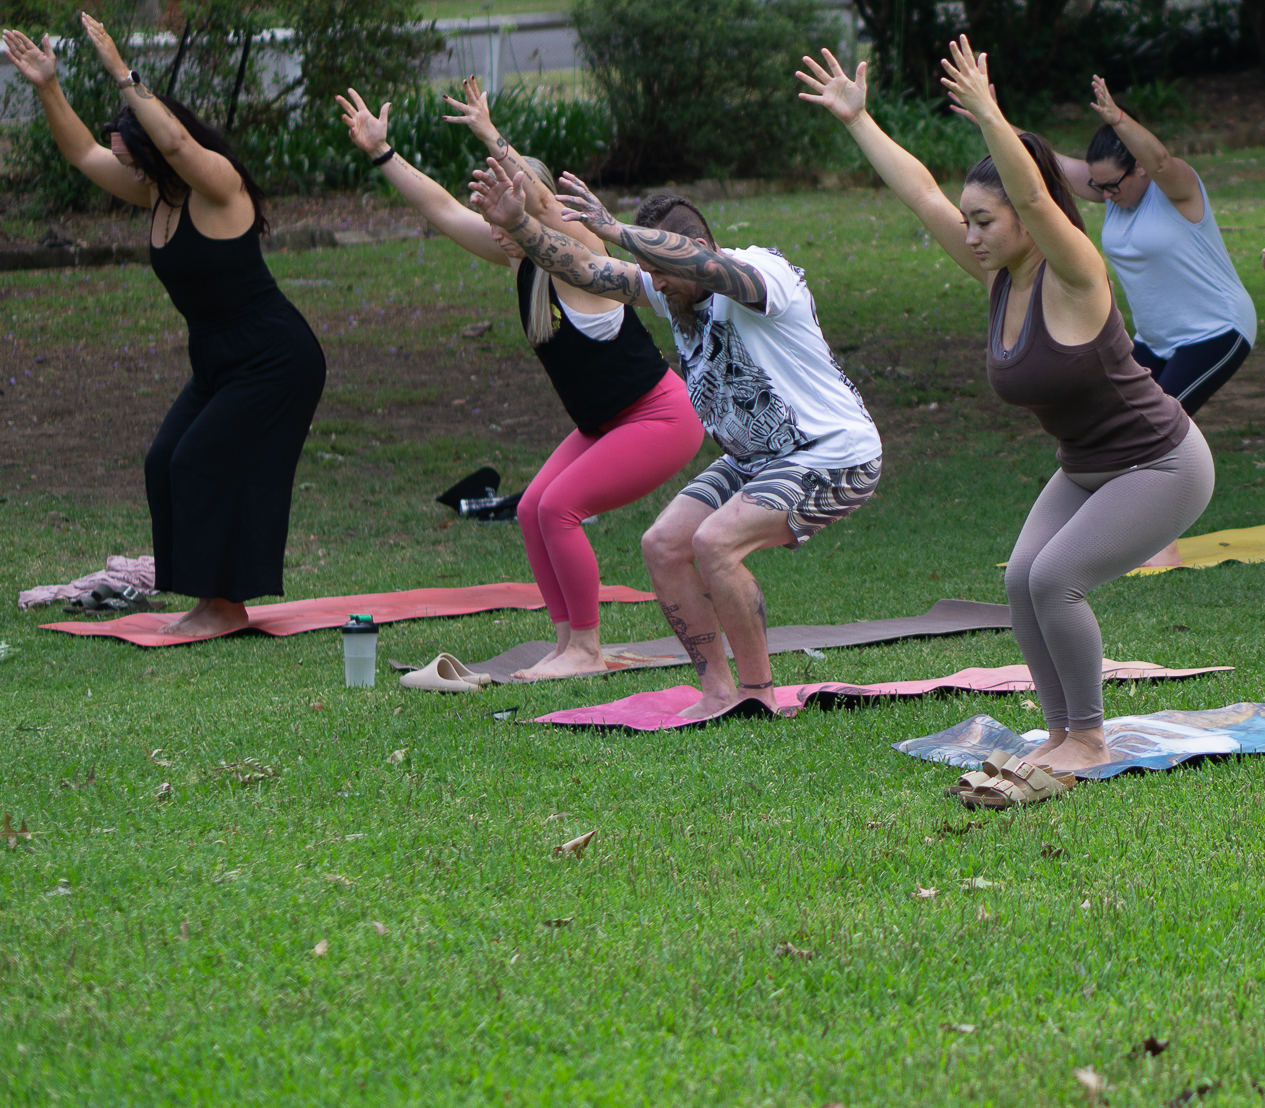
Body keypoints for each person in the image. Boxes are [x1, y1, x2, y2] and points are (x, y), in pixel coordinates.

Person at [797, 39, 1215, 775]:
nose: (969, 233)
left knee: (1056, 579)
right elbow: (923, 194)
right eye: (968, 221)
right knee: (1022, 576)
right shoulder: (997, 276)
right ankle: (1060, 734)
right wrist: (857, 121)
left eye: (983, 221)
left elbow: (1030, 193)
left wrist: (989, 113)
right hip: (1087, 465)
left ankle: (1088, 735)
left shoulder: (1076, 273)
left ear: (1027, 219)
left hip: (1161, 463)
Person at [469, 156, 883, 721]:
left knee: (714, 542)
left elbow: (706, 267)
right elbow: (589, 269)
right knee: (662, 545)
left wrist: (616, 230)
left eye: (661, 268)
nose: (655, 284)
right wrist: (520, 224)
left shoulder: (761, 272)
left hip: (834, 454)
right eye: (650, 271)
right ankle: (716, 690)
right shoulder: (670, 289)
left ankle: (760, 695)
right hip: (757, 459)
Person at [335, 81, 703, 680]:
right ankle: (569, 647)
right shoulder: (517, 257)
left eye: (506, 205)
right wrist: (383, 153)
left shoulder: (576, 253)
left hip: (660, 417)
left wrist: (488, 132)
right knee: (533, 506)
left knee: (559, 506)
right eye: (491, 208)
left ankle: (586, 651)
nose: (490, 219)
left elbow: (547, 203)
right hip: (609, 421)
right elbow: (442, 209)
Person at [3, 16, 326, 636]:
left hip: (273, 355)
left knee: (200, 460)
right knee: (165, 460)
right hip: (216, 357)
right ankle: (207, 598)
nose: (124, 159)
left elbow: (178, 145)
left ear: (153, 143)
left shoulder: (218, 187)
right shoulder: (158, 194)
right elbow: (80, 153)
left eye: (131, 147)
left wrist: (121, 72)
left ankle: (226, 607)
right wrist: (48, 86)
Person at [1056, 77, 1254, 568]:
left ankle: (1160, 545)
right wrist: (993, 118)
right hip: (1157, 341)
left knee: (1154, 432)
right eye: (1097, 186)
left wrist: (1119, 119)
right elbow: (1052, 167)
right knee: (1106, 418)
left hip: (1217, 331)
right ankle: (1103, 532)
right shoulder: (1114, 191)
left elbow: (1164, 161)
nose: (1103, 194)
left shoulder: (1178, 192)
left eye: (1112, 184)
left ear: (1139, 168)